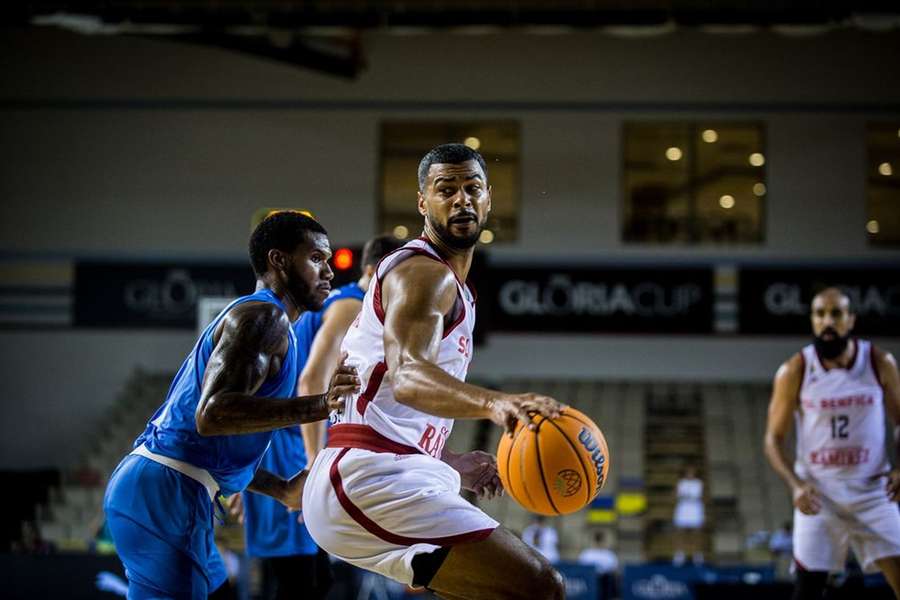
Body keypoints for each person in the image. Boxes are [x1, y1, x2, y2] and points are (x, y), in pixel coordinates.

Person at [301, 143, 568, 599]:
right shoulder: (424, 273)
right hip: (369, 478)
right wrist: (495, 402)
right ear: (423, 203)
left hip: (391, 471)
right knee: (540, 586)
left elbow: (388, 401)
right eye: (447, 190)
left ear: (488, 200)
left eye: (473, 188)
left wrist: (450, 464)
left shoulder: (453, 285)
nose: (462, 199)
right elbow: (407, 377)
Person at [103, 211, 360, 599]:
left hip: (174, 488)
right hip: (166, 491)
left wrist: (279, 489)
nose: (328, 273)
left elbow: (211, 439)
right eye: (316, 259)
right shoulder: (264, 315)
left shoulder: (267, 320)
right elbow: (213, 415)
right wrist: (320, 404)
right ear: (279, 260)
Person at [232, 234, 402, 600]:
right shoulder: (351, 307)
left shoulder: (348, 304)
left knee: (313, 580)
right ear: (374, 272)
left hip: (284, 440)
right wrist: (314, 470)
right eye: (401, 276)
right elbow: (311, 379)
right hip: (292, 446)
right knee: (301, 583)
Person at [764, 287, 900, 600]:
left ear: (850, 320)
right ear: (812, 320)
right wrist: (795, 485)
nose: (828, 321)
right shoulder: (795, 370)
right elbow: (773, 438)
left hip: (872, 490)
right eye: (820, 314)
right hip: (819, 493)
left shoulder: (879, 362)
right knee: (808, 590)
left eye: (836, 314)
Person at [672, 464, 704, 566]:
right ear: (685, 473)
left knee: (696, 534)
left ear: (695, 473)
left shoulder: (699, 483)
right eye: (688, 472)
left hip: (695, 509)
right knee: (680, 533)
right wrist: (679, 495)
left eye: (692, 472)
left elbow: (700, 496)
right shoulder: (681, 483)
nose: (690, 474)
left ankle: (697, 555)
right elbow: (676, 495)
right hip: (683, 509)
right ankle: (679, 555)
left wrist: (687, 496)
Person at [578, 529, 619, 599]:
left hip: (605, 582)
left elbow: (615, 570)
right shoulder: (587, 553)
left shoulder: (609, 555)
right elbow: (581, 569)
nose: (599, 543)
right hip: (590, 581)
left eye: (601, 541)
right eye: (598, 541)